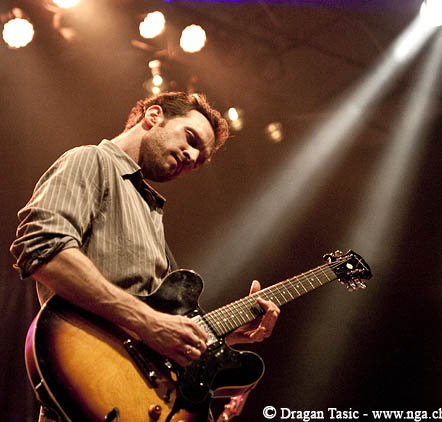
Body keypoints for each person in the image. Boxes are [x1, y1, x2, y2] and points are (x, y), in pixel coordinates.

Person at [10, 92, 280, 422]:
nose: (192, 157)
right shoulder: (91, 160)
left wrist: (223, 334)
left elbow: (157, 329)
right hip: (91, 386)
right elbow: (43, 248)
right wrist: (148, 322)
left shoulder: (149, 208)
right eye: (191, 138)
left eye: (200, 160)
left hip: (140, 397)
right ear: (153, 116)